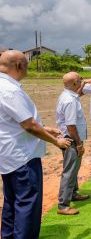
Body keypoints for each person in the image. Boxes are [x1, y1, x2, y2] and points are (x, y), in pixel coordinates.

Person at [0, 50, 71, 238]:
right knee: (27, 205)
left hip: (8, 155)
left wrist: (45, 128)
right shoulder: (11, 90)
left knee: (11, 202)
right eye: (27, 65)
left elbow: (11, 120)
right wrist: (56, 141)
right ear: (18, 66)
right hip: (22, 156)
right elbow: (28, 125)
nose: (27, 69)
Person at [56, 72, 90, 215]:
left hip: (71, 139)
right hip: (71, 140)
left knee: (74, 168)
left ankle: (73, 193)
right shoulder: (69, 100)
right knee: (69, 172)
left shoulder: (70, 96)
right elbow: (71, 126)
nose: (81, 81)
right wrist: (79, 144)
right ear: (75, 83)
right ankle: (63, 204)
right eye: (80, 79)